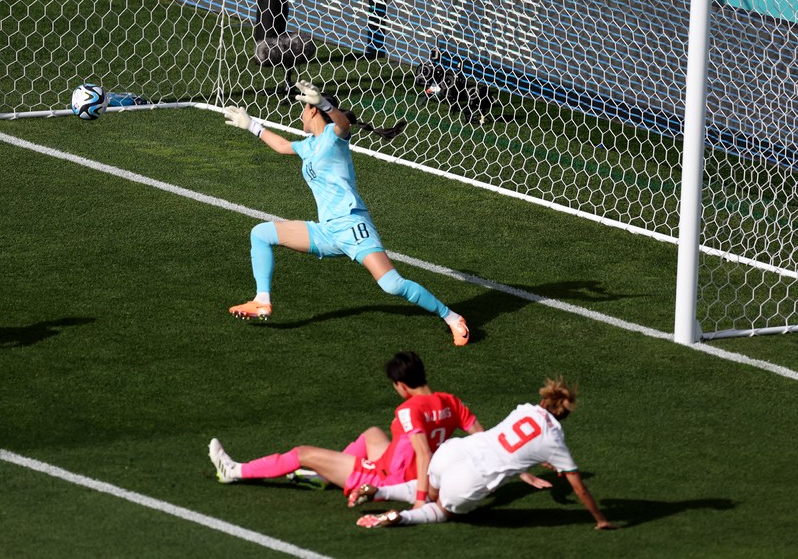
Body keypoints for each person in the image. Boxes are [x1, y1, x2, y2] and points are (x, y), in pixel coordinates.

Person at [221, 80, 470, 346]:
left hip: (352, 226)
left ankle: (453, 317)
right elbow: (283, 146)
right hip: (326, 231)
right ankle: (262, 301)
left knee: (392, 285)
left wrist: (325, 104)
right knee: (261, 233)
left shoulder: (333, 136)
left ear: (314, 110)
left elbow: (344, 125)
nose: (301, 114)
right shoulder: (310, 145)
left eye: (305, 109)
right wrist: (252, 126)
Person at [209, 351, 484, 506]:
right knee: (373, 434)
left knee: (303, 453)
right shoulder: (450, 401)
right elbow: (483, 439)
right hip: (404, 468)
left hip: (389, 478)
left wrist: (420, 500)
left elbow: (422, 453)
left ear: (401, 385)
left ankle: (234, 471)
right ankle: (324, 477)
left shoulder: (409, 409)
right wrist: (517, 471)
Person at [354, 376, 618, 530]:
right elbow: (580, 488)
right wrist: (601, 519)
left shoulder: (525, 408)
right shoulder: (555, 439)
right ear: (565, 414)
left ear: (544, 401)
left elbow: (521, 441)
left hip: (454, 451)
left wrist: (544, 458)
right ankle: (401, 517)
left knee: (433, 489)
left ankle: (379, 492)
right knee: (447, 511)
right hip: (473, 477)